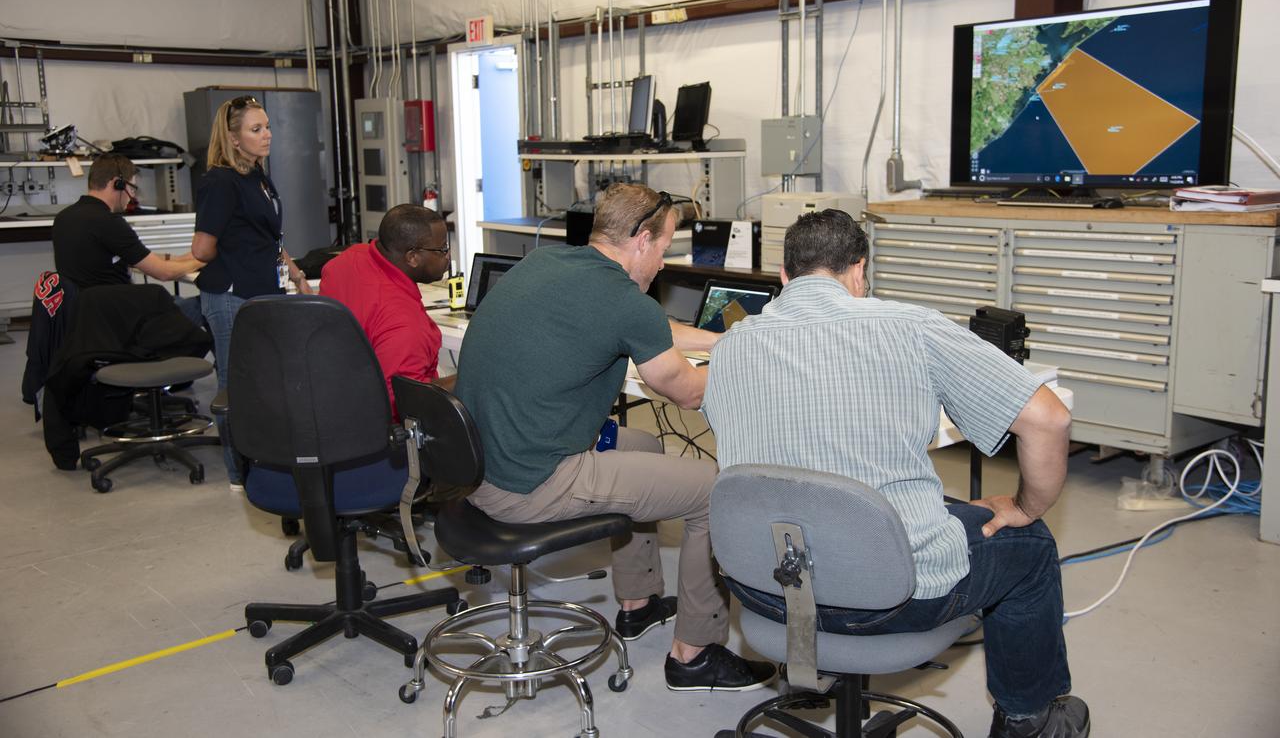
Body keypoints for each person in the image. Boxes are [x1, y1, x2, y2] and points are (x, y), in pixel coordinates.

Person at [702, 209, 1087, 738]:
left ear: (785, 276)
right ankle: (1030, 721)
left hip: (765, 587)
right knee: (1031, 545)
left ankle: (813, 671)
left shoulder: (729, 348)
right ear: (859, 270)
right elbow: (1049, 418)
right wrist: (1023, 507)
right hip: (893, 595)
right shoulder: (912, 327)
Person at [454, 183, 776, 693]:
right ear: (642, 239)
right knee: (713, 489)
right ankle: (695, 654)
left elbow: (649, 328)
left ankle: (638, 603)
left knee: (643, 445)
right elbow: (688, 392)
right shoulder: (623, 300)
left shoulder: (547, 263)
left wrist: (722, 339)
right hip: (531, 483)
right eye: (664, 247)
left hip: (479, 467)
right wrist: (747, 359)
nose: (664, 263)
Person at [191, 94, 312, 489]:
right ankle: (238, 472)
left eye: (268, 127)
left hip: (262, 293)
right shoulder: (220, 182)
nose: (267, 135)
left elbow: (268, 238)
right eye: (256, 129)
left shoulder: (256, 175)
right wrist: (235, 254)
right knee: (235, 386)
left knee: (266, 381)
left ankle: (264, 457)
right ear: (233, 138)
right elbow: (201, 249)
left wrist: (296, 275)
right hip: (231, 297)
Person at [320, 203, 451, 415]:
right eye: (442, 249)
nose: (448, 256)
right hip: (371, 420)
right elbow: (404, 403)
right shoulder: (405, 323)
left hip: (330, 396)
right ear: (412, 257)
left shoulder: (348, 259)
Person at [52, 153, 203, 288]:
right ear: (117, 184)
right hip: (114, 306)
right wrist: (203, 261)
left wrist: (181, 259)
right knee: (193, 305)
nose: (132, 197)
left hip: (79, 307)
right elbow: (164, 272)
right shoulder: (108, 222)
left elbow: (137, 256)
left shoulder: (63, 218)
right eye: (132, 188)